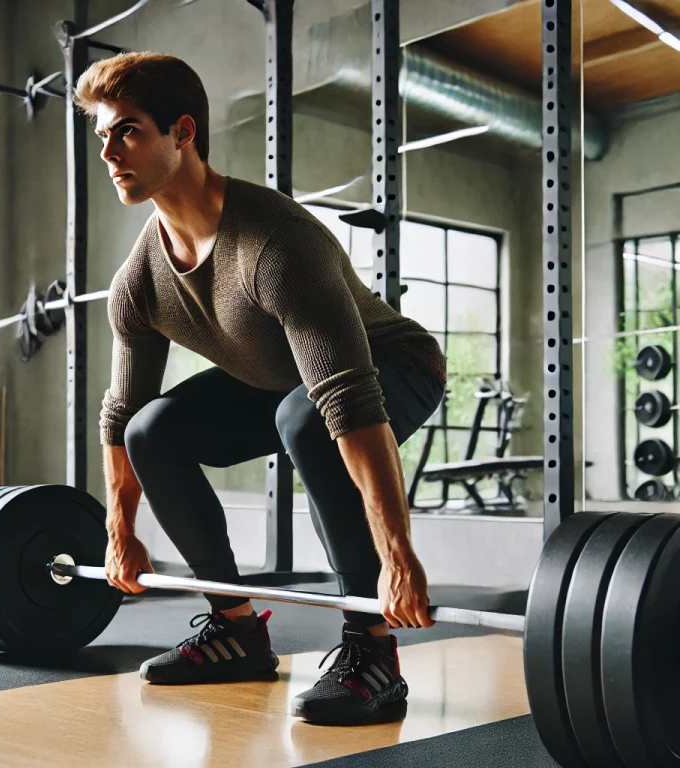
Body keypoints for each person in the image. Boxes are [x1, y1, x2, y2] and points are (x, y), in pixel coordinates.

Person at [74, 52, 446, 726]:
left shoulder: (277, 242)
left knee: (306, 419)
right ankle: (237, 631)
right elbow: (121, 411)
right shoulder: (141, 279)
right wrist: (119, 531)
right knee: (150, 430)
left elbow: (348, 401)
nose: (108, 152)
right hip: (282, 383)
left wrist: (400, 558)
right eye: (102, 135)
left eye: (126, 130)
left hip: (394, 365)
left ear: (182, 132)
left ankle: (373, 652)